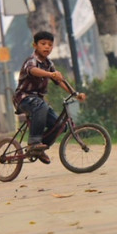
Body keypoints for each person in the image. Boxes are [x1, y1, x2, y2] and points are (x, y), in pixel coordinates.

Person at [13, 31, 86, 164]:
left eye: (50, 45)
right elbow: (32, 70)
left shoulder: (48, 63)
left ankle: (39, 149)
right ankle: (34, 141)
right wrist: (50, 74)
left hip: (38, 101)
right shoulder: (31, 60)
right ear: (35, 45)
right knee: (41, 106)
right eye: (43, 44)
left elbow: (60, 81)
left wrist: (75, 94)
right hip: (23, 98)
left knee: (60, 125)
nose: (47, 47)